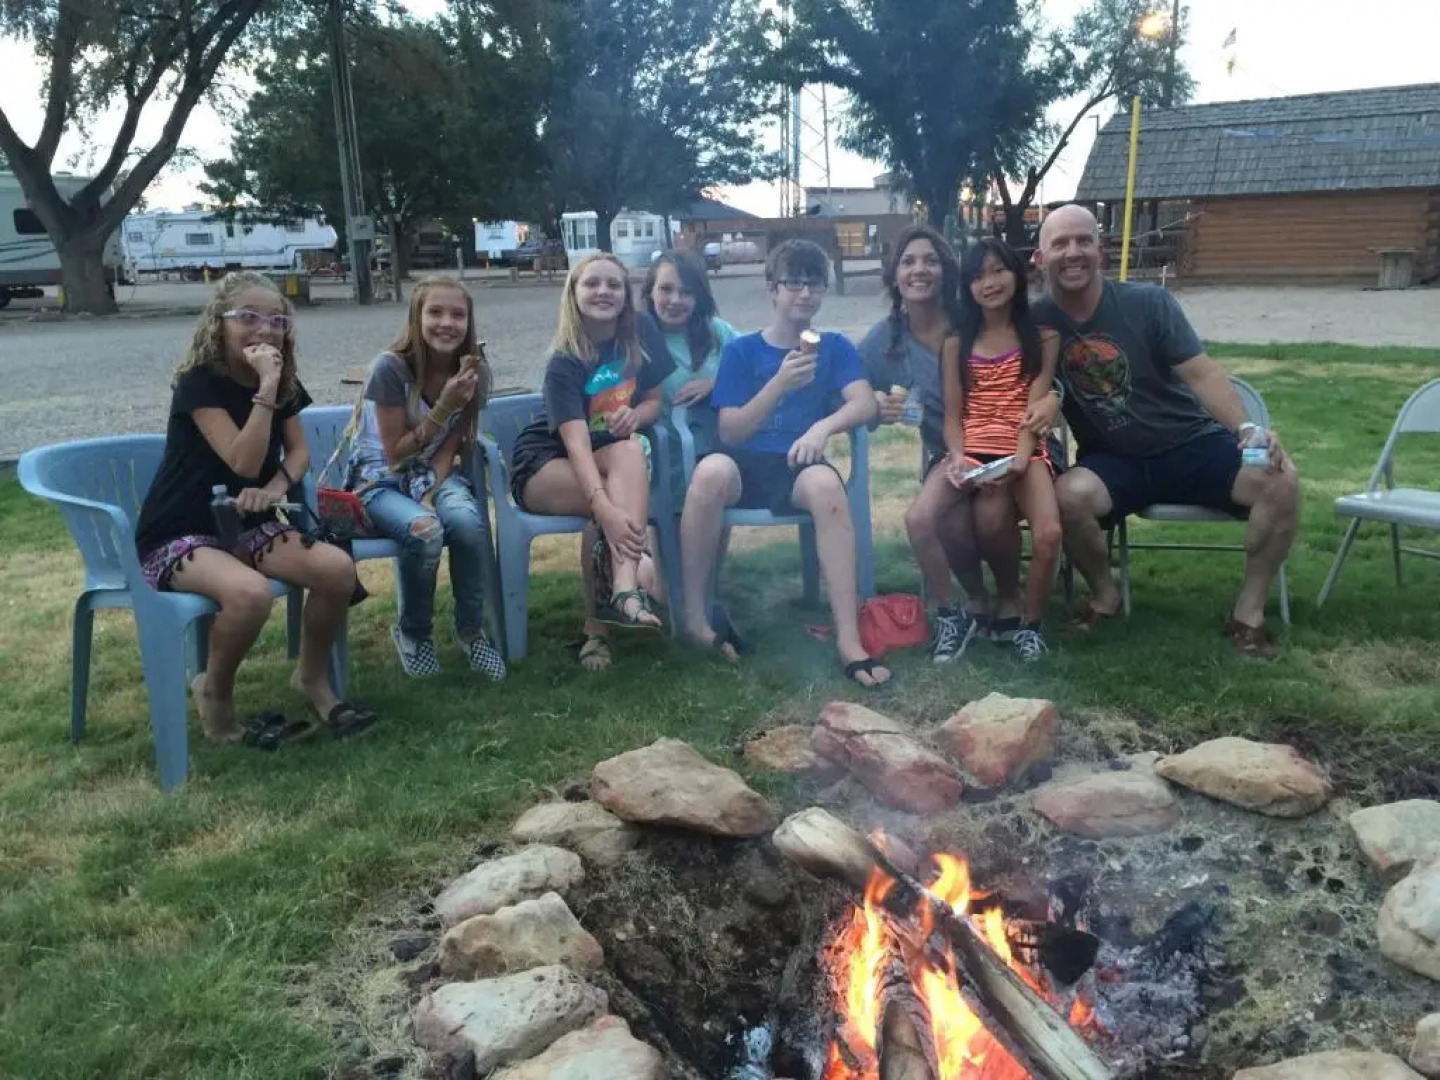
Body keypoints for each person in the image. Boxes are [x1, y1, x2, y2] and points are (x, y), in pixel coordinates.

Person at [1033, 204, 1300, 658]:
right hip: (1113, 460)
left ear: (1101, 249)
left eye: (1083, 240)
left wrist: (1247, 429)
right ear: (1040, 258)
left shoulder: (1148, 304)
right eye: (1059, 243)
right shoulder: (1036, 323)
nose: (1072, 252)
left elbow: (1202, 374)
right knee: (1066, 496)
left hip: (1192, 444)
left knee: (1281, 479)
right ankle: (1105, 595)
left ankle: (1248, 611)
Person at [133, 271, 375, 749]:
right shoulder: (199, 384)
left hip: (248, 522)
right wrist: (266, 385)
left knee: (336, 570)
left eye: (277, 320)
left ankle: (311, 677)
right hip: (181, 528)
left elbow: (298, 453)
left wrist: (274, 487)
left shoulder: (283, 382)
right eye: (248, 317)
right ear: (218, 324)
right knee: (250, 594)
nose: (265, 329)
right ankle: (214, 693)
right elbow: (241, 460)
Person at [679, 238, 890, 686]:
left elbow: (865, 403)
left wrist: (821, 429)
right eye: (793, 283)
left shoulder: (834, 347)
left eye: (814, 283)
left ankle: (849, 638)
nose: (805, 293)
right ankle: (696, 621)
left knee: (828, 487)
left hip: (798, 460)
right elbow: (731, 432)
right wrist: (779, 383)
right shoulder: (742, 351)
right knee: (709, 472)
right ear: (772, 290)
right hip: (742, 462)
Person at [859, 225, 1054, 662]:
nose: (919, 270)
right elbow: (847, 384)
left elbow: (1030, 362)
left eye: (930, 260)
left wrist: (1053, 396)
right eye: (908, 262)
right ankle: (970, 602)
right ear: (894, 275)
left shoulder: (972, 317)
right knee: (941, 518)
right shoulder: (885, 341)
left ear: (948, 272)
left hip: (1013, 449)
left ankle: (1010, 596)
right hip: (952, 453)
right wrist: (871, 403)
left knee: (991, 512)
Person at [509, 253, 674, 670]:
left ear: (626, 296)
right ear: (574, 293)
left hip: (610, 458)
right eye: (592, 283)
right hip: (547, 463)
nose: (603, 292)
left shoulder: (642, 334)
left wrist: (636, 415)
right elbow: (577, 446)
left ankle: (622, 591)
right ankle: (602, 620)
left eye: (614, 284)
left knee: (631, 450)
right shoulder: (565, 361)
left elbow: (655, 399)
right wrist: (604, 508)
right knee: (608, 509)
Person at [346, 275, 506, 681]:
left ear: (469, 322)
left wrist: (430, 489)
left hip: (431, 472)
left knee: (467, 523)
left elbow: (453, 442)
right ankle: (414, 633)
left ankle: (471, 631)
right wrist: (445, 405)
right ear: (416, 318)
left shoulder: (473, 372)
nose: (446, 323)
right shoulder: (390, 369)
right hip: (379, 479)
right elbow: (395, 452)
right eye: (435, 312)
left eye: (458, 314)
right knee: (424, 531)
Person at [937, 239, 1063, 661]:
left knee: (1049, 533)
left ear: (1017, 274)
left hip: (1022, 448)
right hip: (972, 450)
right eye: (977, 276)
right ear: (967, 288)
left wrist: (1021, 460)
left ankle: (1031, 625)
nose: (989, 283)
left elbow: (1036, 403)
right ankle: (960, 608)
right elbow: (953, 415)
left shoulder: (1044, 338)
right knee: (926, 517)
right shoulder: (957, 344)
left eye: (998, 271)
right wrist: (958, 457)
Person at [640, 250, 738, 509]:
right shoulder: (634, 337)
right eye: (666, 289)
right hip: (660, 460)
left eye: (686, 292)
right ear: (650, 291)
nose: (675, 300)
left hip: (718, 458)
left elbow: (758, 370)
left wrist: (718, 384)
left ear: (699, 296)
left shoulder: (719, 332)